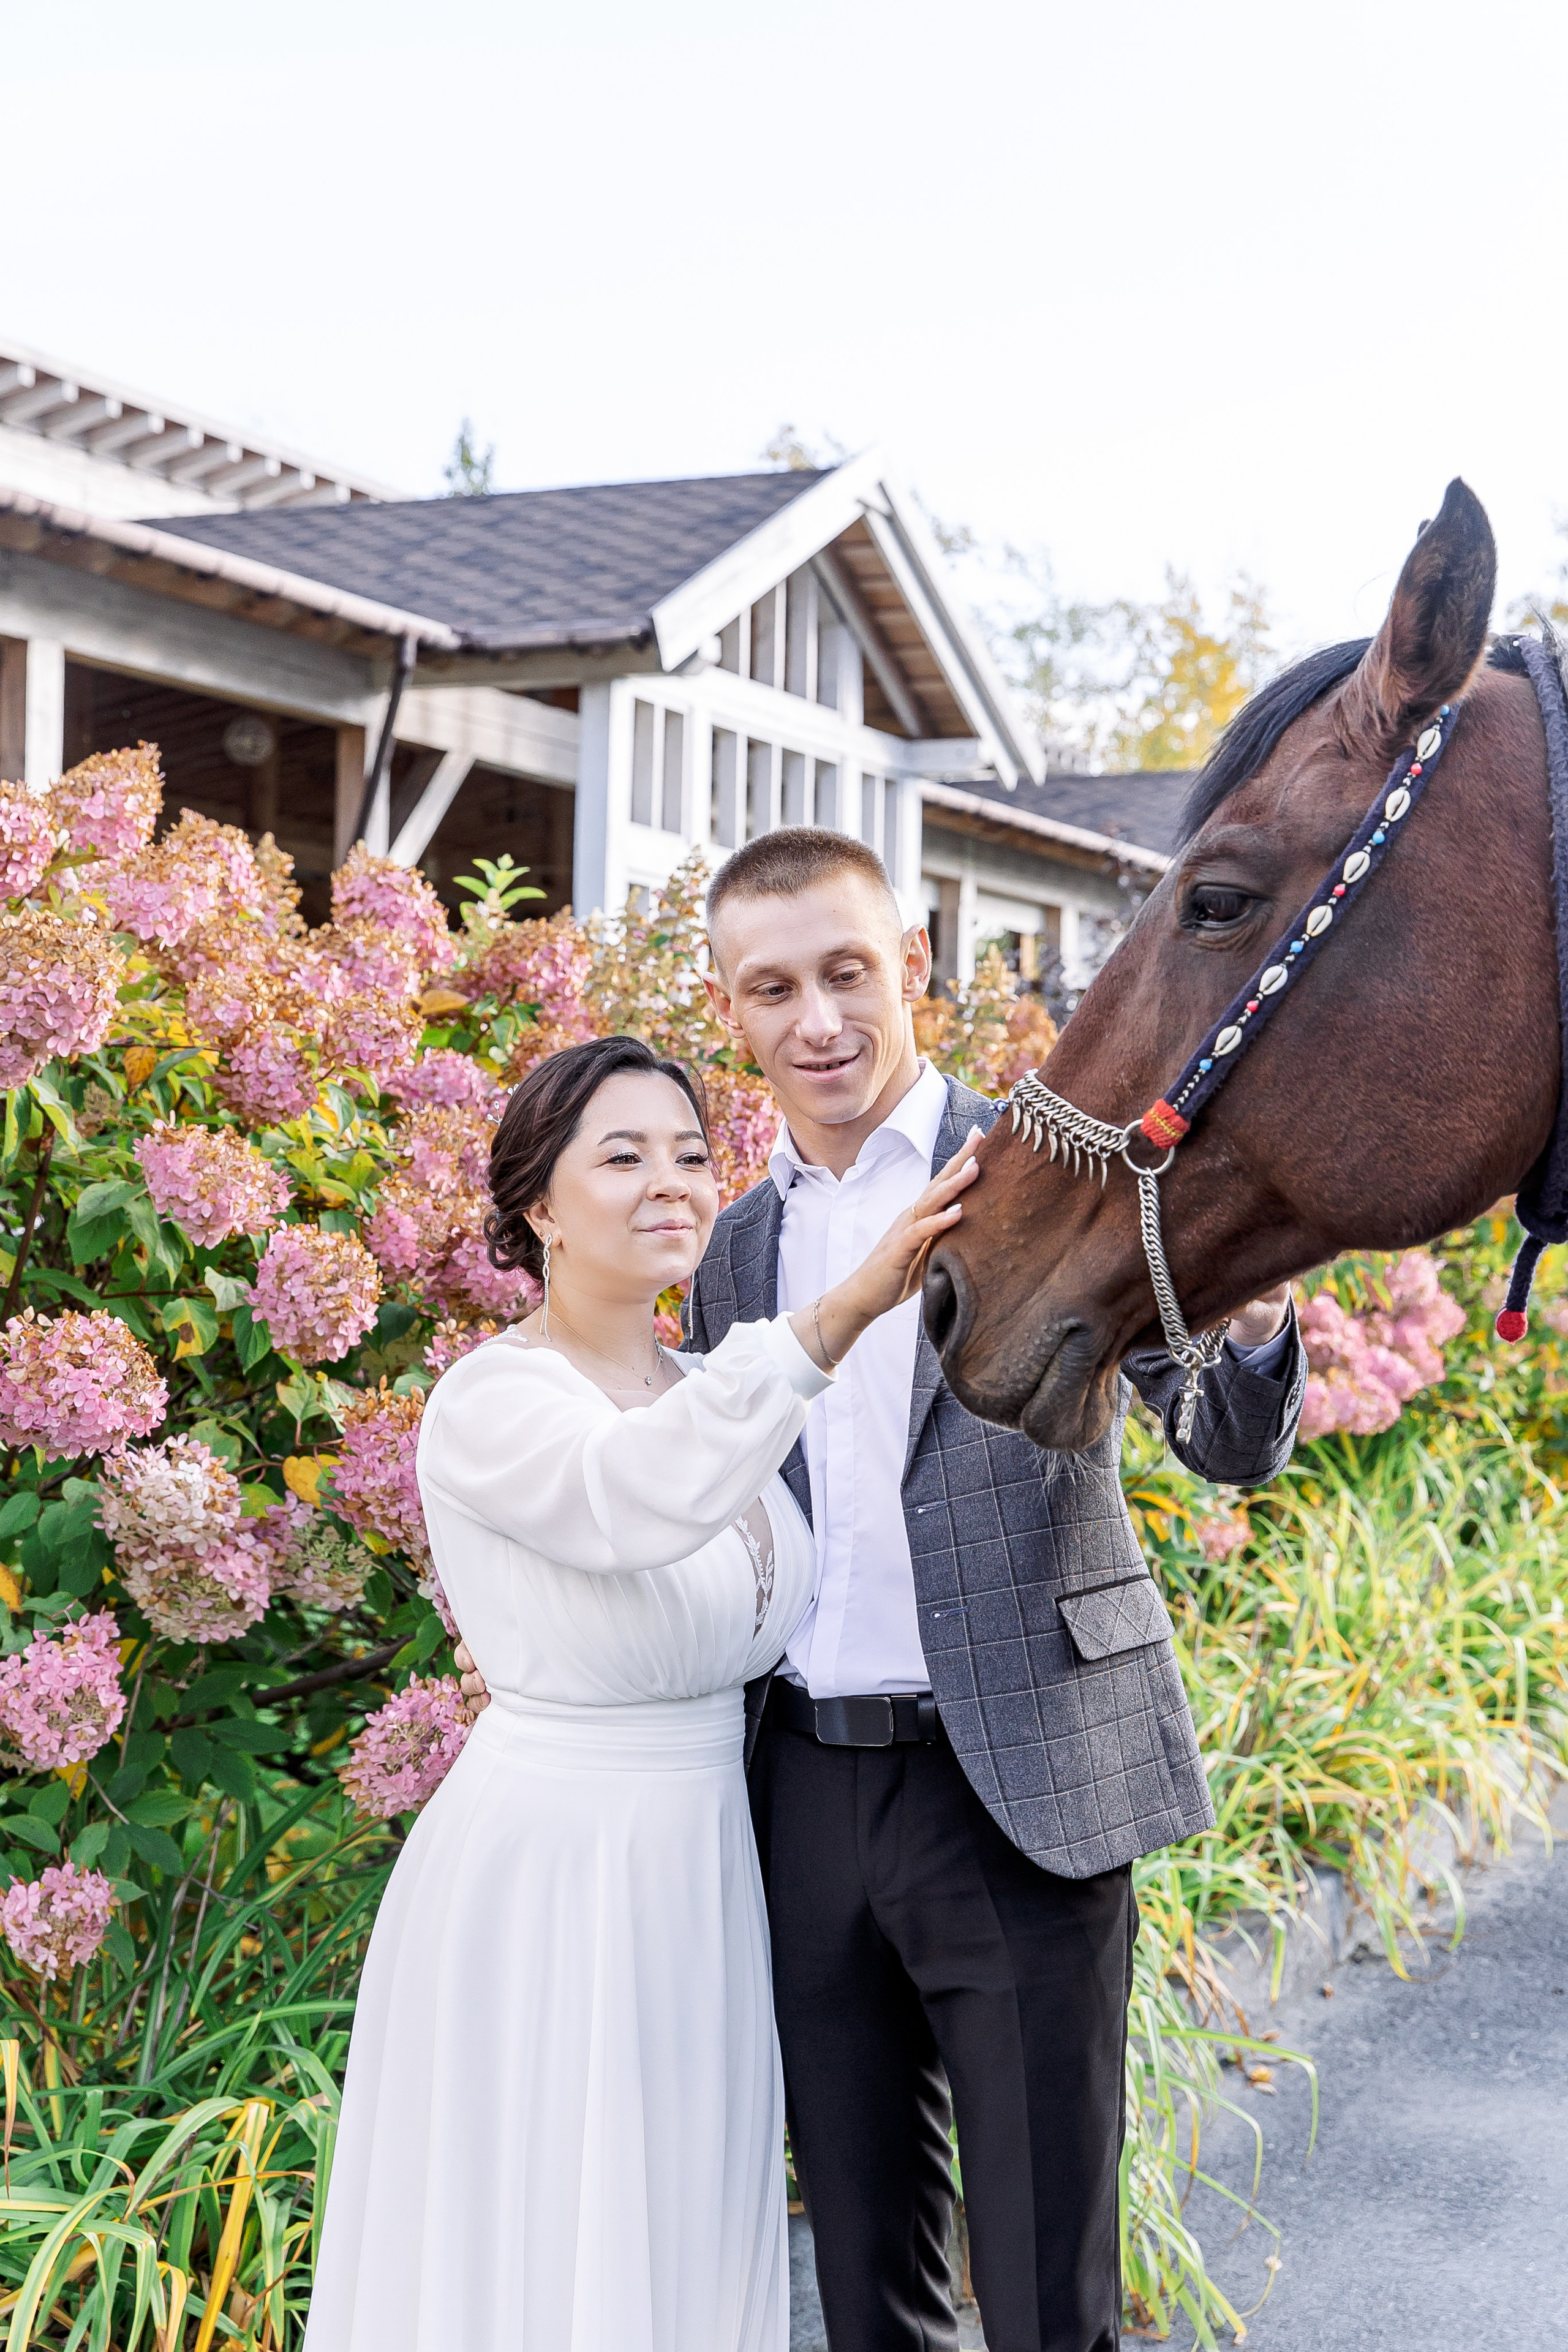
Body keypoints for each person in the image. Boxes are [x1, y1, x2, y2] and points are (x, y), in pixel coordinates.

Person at [461, 831, 1305, 2352]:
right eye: (772, 989)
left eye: (846, 973)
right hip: (793, 1792)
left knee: (1049, 2295)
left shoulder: (1066, 1171)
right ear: (734, 1012)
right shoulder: (724, 1248)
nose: (818, 1021)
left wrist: (1247, 1316)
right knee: (865, 2284)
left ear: (910, 963)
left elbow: (1221, 1431)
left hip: (1018, 1777)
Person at [304, 1031, 981, 2352]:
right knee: (542, 2218)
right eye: (622, 1157)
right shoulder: (492, 1400)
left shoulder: (699, 1381)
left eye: (688, 1153)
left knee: (675, 2208)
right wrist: (845, 1307)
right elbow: (634, 1502)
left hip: (705, 1862)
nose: (671, 1183)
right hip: (553, 1866)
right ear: (539, 1206)